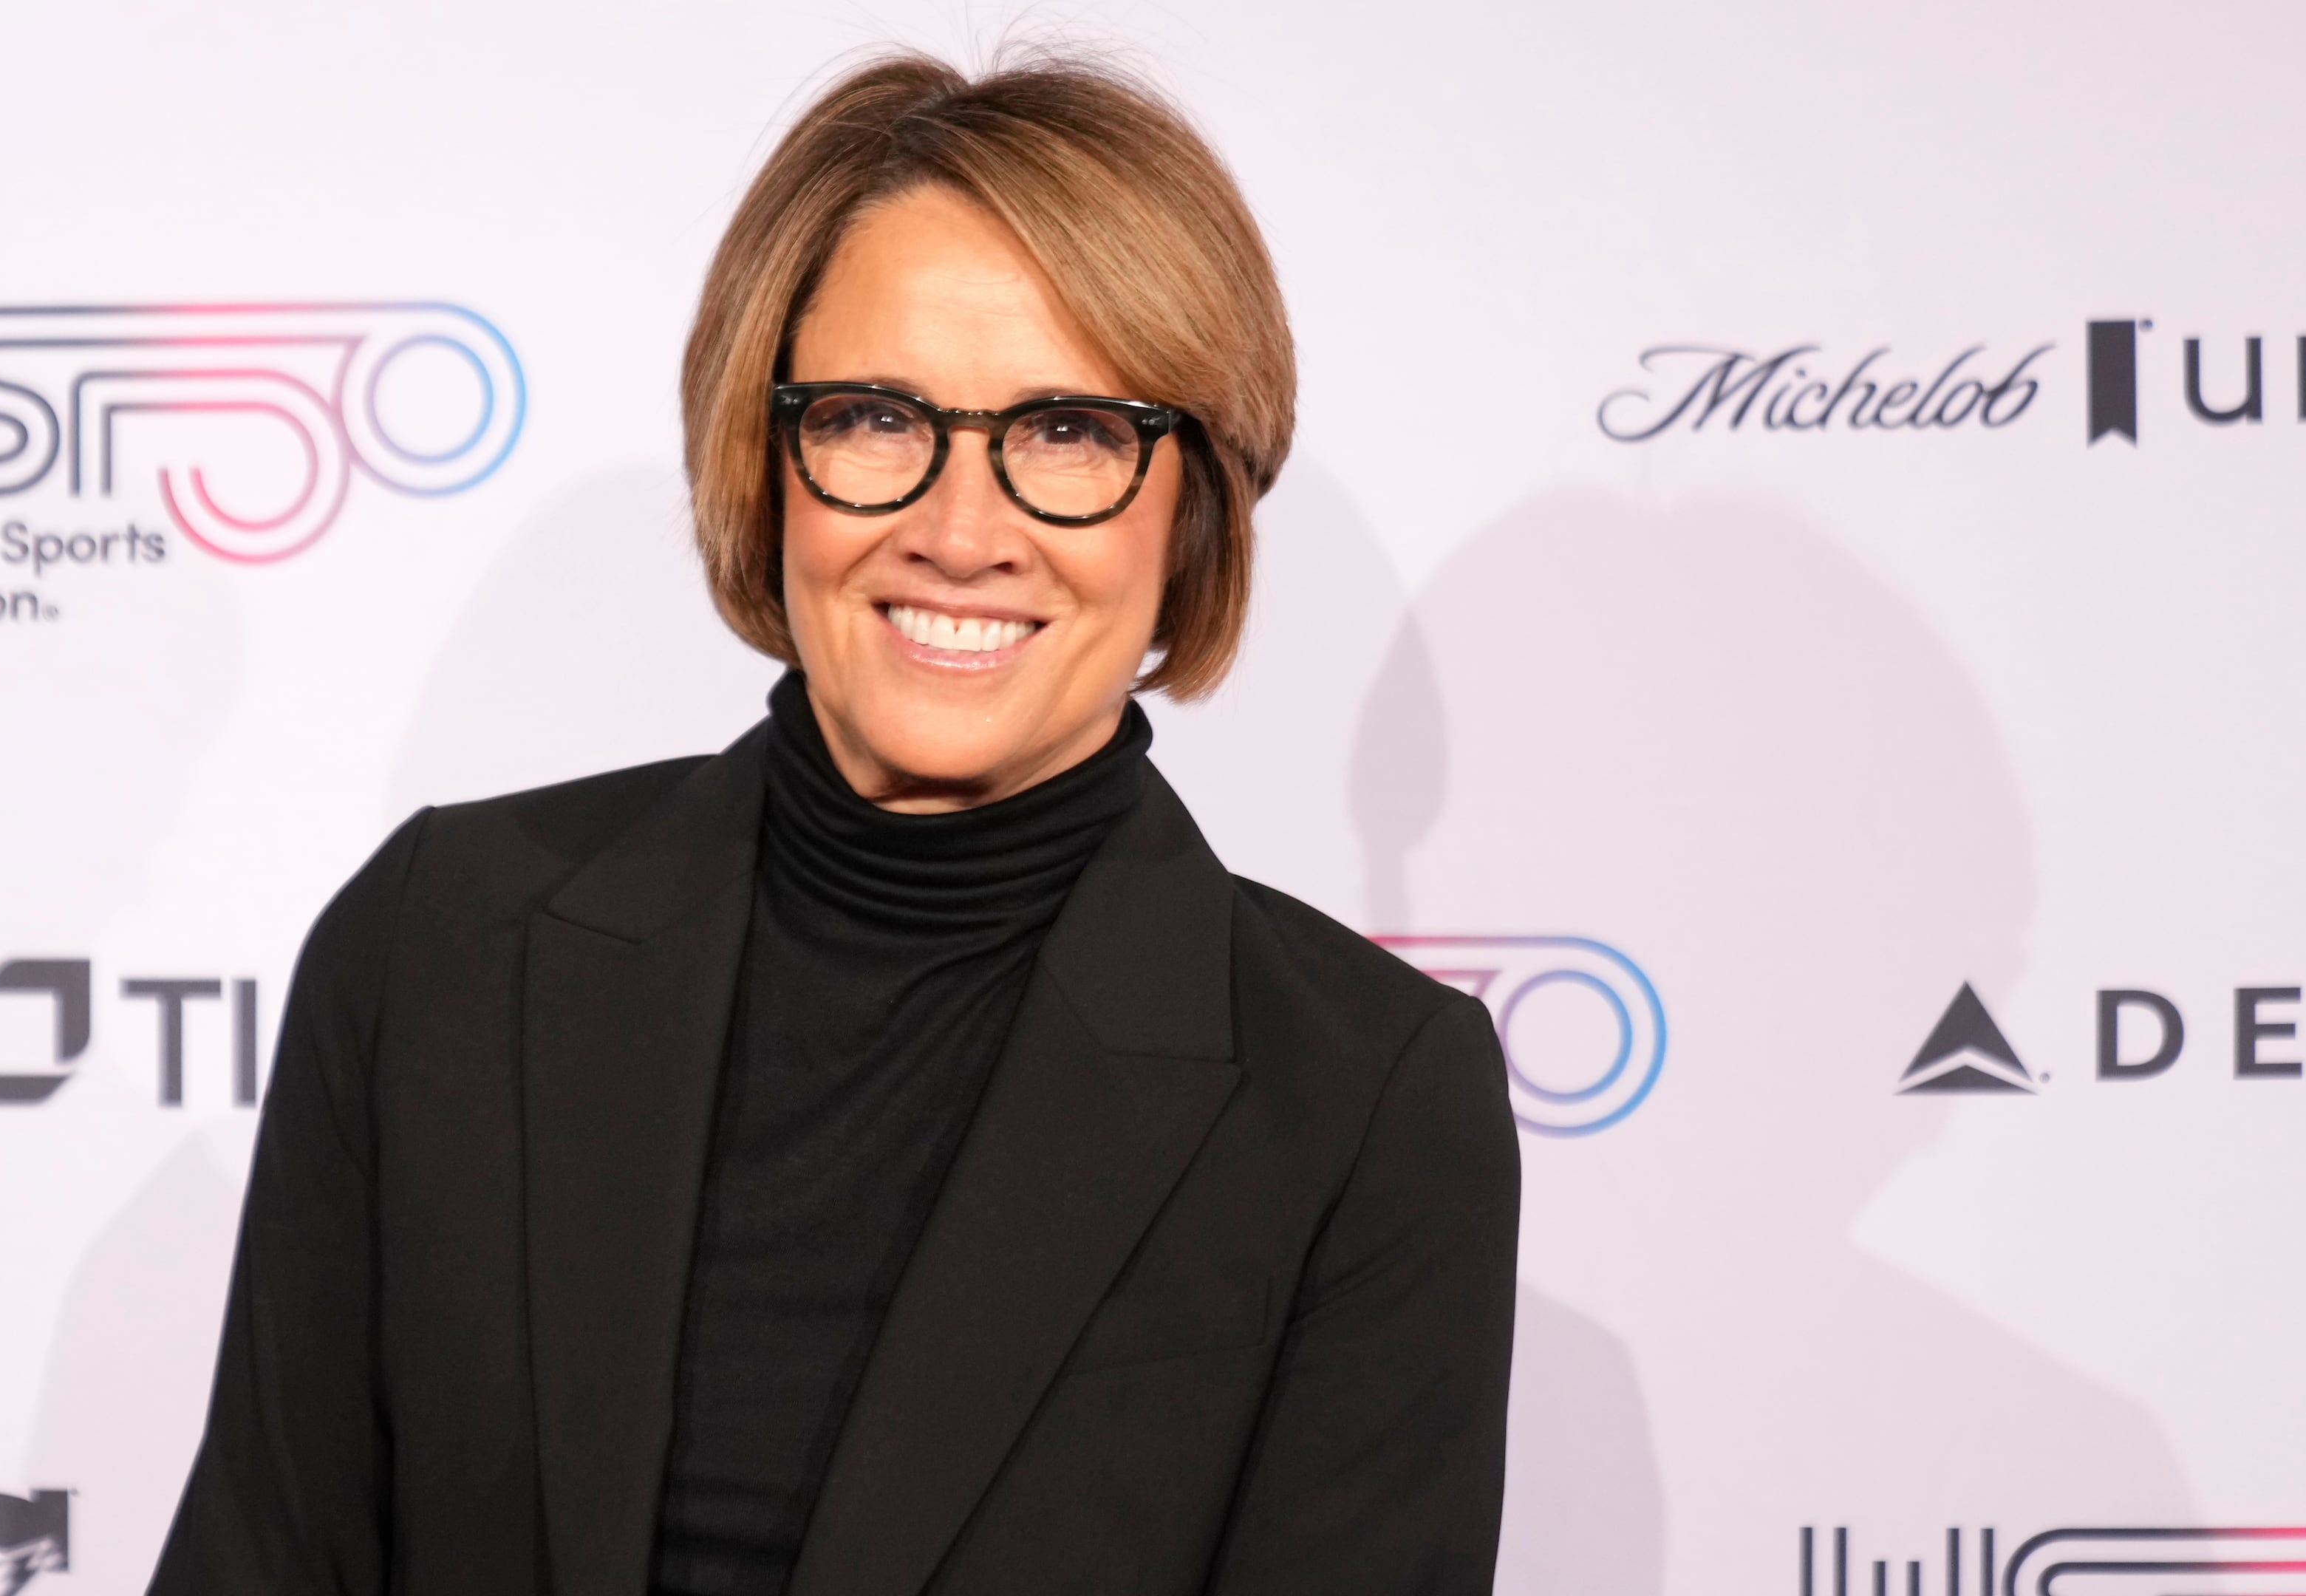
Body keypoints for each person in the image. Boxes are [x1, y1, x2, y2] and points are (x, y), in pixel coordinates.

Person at [149, 48, 1518, 1596]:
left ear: (1192, 501)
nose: (959, 530)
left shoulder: (1360, 1103)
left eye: (1068, 433)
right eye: (877, 417)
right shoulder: (441, 944)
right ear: (767, 452)